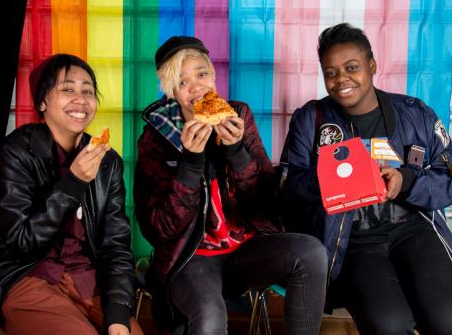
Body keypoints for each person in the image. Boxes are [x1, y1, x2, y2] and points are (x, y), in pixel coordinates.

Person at [281, 23, 452, 335]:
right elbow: (286, 192)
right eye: (330, 72)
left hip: (414, 232)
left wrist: (405, 182)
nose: (341, 79)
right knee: (389, 326)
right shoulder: (311, 120)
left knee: (447, 323)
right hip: (352, 242)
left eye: (352, 67)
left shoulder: (416, 114)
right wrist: (332, 181)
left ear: (372, 66)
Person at [134, 35, 328, 335]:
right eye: (183, 82)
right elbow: (159, 230)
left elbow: (267, 201)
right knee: (209, 317)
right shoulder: (155, 138)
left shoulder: (239, 115)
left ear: (213, 75)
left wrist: (237, 152)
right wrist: (189, 165)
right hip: (191, 257)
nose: (196, 86)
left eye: (202, 74)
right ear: (172, 91)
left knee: (311, 252)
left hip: (246, 249)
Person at [0, 54, 143, 335]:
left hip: (86, 278)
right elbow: (22, 244)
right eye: (67, 89)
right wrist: (73, 183)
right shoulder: (15, 153)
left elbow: (115, 245)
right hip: (23, 276)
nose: (80, 99)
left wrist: (118, 312)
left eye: (88, 91)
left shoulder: (108, 163)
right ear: (42, 102)